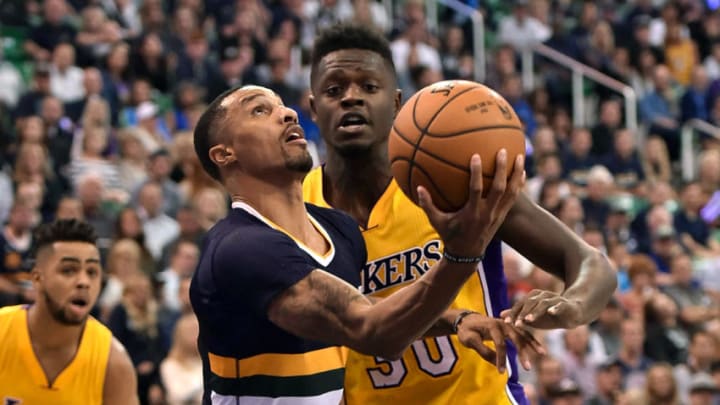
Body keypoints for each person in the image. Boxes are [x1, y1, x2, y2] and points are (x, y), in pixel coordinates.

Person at [303, 23, 617, 404]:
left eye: (369, 87)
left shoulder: (454, 179)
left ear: (398, 101)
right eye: (334, 90)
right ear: (313, 108)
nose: (351, 98)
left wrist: (572, 306)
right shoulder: (297, 212)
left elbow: (590, 263)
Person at [190, 84, 541, 404]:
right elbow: (369, 329)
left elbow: (355, 306)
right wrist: (462, 254)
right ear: (225, 154)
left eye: (282, 105)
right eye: (259, 110)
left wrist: (453, 319)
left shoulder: (338, 229)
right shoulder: (239, 249)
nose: (287, 113)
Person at [0, 219, 138, 404]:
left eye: (92, 272)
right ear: (37, 278)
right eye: (69, 270)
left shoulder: (113, 364)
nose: (84, 282)